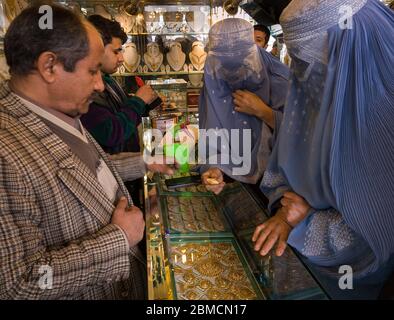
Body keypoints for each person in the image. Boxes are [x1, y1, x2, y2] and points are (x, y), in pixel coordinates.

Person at [0, 4, 146, 299]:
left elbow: (86, 173)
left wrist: (146, 164)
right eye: (92, 71)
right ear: (49, 66)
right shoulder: (6, 153)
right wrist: (119, 239)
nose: (99, 85)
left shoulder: (55, 110)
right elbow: (19, 284)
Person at [252, 0, 394, 299]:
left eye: (311, 61)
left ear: (348, 49)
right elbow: (283, 172)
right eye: (298, 63)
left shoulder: (383, 115)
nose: (304, 75)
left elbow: (376, 235)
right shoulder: (314, 94)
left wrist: (303, 221)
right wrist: (285, 212)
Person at [199, 18, 289, 192]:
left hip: (282, 188)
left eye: (239, 60)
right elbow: (212, 129)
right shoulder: (216, 80)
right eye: (223, 62)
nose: (231, 71)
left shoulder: (280, 79)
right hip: (235, 182)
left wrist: (264, 112)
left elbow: (308, 136)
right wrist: (215, 168)